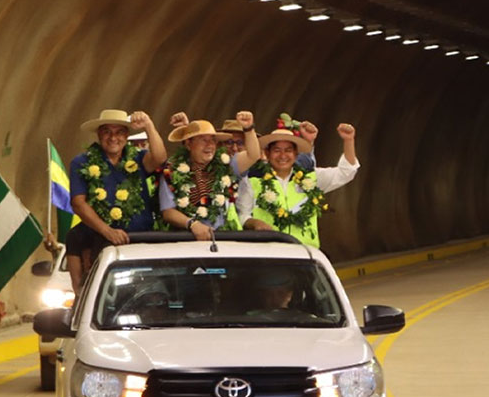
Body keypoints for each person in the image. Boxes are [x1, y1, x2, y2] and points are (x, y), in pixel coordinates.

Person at [66, 109, 167, 294]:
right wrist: (107, 231)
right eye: (107, 132)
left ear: (127, 136)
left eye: (119, 132)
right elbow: (78, 203)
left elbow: (160, 158)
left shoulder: (137, 158)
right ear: (99, 134)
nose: (113, 138)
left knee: (147, 291)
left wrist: (149, 126)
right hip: (101, 241)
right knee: (98, 292)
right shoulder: (81, 162)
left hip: (141, 238)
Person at [240, 121, 360, 247]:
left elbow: (346, 172)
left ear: (296, 154)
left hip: (305, 254)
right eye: (277, 150)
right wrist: (254, 222)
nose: (283, 156)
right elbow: (242, 214)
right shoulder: (253, 181)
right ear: (267, 154)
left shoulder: (311, 178)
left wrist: (348, 140)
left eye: (288, 150)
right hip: (270, 253)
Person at [158, 112, 261, 240]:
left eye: (213, 140)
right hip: (185, 241)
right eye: (204, 140)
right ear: (189, 144)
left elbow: (254, 155)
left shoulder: (225, 165)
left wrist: (249, 128)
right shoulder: (172, 171)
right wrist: (192, 224)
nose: (210, 145)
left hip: (221, 239)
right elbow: (168, 212)